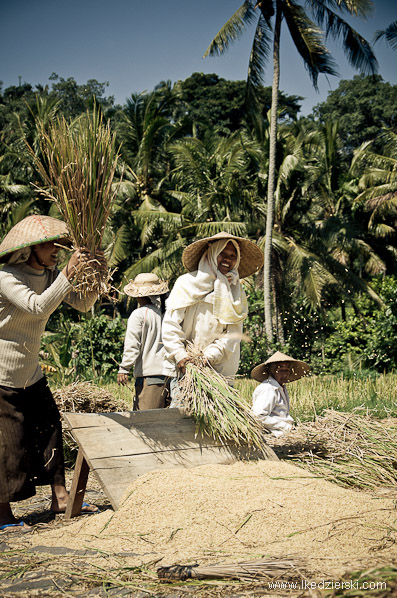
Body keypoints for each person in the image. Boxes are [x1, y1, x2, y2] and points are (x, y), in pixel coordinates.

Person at [0, 215, 107, 532]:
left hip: (30, 373)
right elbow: (36, 307)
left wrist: (93, 274)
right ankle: (3, 515)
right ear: (30, 249)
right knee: (7, 443)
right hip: (2, 375)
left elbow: (83, 304)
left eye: (61, 245)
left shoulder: (48, 275)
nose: (58, 250)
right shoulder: (6, 276)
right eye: (51, 244)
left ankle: (61, 498)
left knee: (50, 431)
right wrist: (67, 272)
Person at [162, 232, 263, 404]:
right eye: (222, 253)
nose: (227, 259)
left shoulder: (236, 291)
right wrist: (181, 355)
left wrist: (208, 357)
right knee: (180, 420)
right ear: (212, 253)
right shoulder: (185, 283)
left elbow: (232, 334)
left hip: (220, 371)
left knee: (217, 426)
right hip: (185, 368)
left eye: (232, 256)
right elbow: (171, 325)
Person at [117, 273, 170, 410]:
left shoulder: (139, 314)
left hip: (150, 376)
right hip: (168, 375)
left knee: (147, 423)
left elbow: (132, 344)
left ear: (137, 295)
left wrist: (124, 368)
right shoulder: (164, 313)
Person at [251, 351, 311, 437]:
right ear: (272, 371)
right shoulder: (268, 388)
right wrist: (285, 426)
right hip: (273, 435)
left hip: (284, 433)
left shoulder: (281, 387)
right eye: (281, 370)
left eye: (287, 370)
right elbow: (258, 417)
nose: (285, 374)